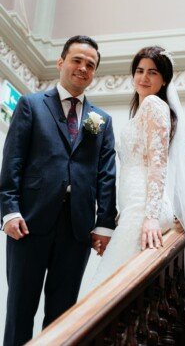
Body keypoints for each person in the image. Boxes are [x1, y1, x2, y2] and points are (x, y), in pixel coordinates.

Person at [0, 35, 117, 345]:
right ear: (61, 62)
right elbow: (12, 162)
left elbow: (106, 175)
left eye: (90, 65)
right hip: (28, 224)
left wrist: (104, 223)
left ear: (94, 73)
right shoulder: (31, 105)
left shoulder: (100, 120)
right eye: (77, 60)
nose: (83, 68)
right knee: (20, 310)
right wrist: (9, 211)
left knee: (63, 315)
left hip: (76, 230)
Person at [90, 46, 185, 328]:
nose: (144, 77)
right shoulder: (142, 110)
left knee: (108, 288)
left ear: (163, 79)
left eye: (152, 72)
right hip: (133, 206)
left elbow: (158, 164)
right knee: (115, 285)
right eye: (139, 71)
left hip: (145, 206)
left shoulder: (155, 105)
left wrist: (151, 215)